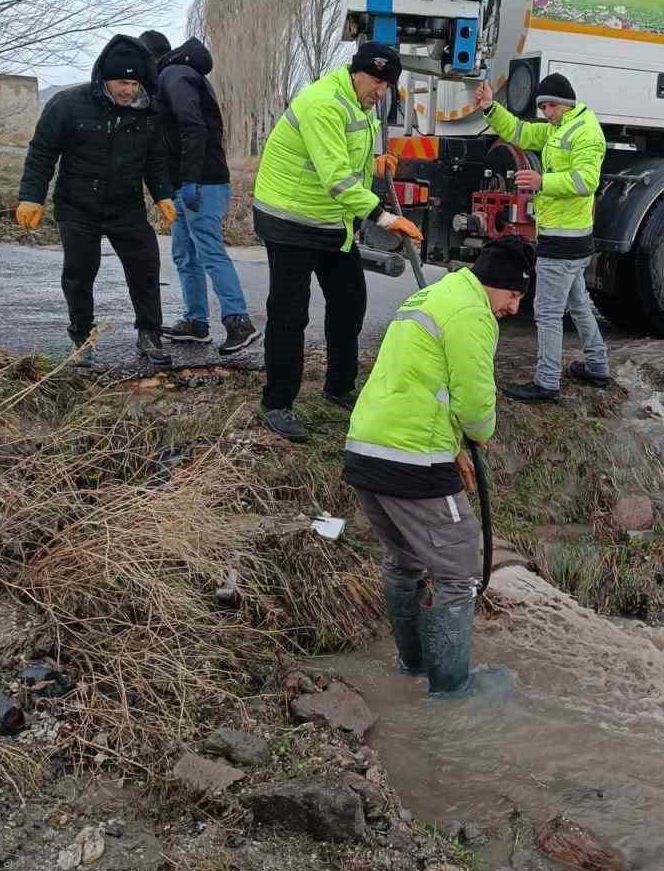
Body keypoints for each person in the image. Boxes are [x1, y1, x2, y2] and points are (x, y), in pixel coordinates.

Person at [344, 235, 535, 695]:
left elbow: (419, 382)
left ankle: (412, 667)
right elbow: (473, 400)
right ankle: (451, 690)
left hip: (367, 446)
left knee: (405, 560)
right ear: (497, 285)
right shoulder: (472, 313)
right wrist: (479, 434)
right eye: (513, 296)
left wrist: (452, 446)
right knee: (459, 569)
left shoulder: (431, 295)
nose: (513, 308)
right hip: (413, 460)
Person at [251, 42, 421, 443]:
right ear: (356, 72)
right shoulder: (323, 103)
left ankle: (340, 388)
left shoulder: (361, 104)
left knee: (349, 302)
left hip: (331, 220)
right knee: (290, 313)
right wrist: (385, 217)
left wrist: (375, 165)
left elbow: (350, 160)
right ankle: (277, 402)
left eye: (388, 84)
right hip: (288, 218)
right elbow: (337, 178)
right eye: (377, 81)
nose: (381, 91)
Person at [15, 34, 176, 365]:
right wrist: (32, 197)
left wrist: (163, 195)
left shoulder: (149, 112)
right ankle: (82, 337)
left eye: (134, 82)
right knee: (79, 272)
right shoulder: (68, 104)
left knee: (145, 267)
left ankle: (150, 333)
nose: (128, 90)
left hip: (125, 206)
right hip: (77, 205)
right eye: (121, 82)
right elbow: (42, 153)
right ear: (105, 78)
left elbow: (156, 158)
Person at [474, 72, 611, 401]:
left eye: (550, 106)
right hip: (570, 240)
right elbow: (519, 131)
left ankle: (547, 382)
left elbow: (586, 181)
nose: (546, 113)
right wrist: (491, 107)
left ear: (565, 103)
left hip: (563, 242)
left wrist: (541, 182)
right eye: (543, 107)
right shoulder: (559, 128)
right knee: (579, 305)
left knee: (548, 313)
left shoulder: (585, 132)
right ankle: (597, 366)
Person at [155, 36, 258, 357]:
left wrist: (191, 179)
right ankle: (196, 323)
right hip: (190, 183)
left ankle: (239, 322)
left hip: (201, 184)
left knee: (209, 252)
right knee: (185, 254)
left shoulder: (173, 75)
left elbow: (193, 127)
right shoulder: (184, 75)